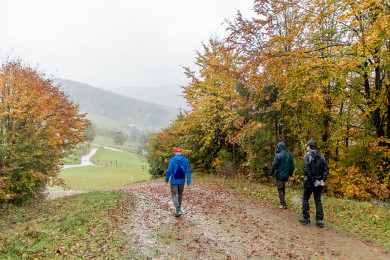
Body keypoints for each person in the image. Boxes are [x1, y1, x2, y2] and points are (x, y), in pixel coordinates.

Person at [299, 139, 329, 228]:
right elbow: (326, 170)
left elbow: (306, 170)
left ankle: (306, 218)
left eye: (307, 146)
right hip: (319, 182)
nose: (307, 147)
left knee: (305, 199)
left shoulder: (307, 156)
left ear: (309, 147)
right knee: (318, 200)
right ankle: (319, 220)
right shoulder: (321, 157)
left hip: (309, 182)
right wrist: (322, 180)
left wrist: (312, 180)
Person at [165, 147, 191, 217]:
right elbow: (188, 171)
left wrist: (167, 179)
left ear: (175, 153)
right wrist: (189, 182)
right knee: (180, 194)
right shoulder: (185, 160)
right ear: (181, 153)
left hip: (174, 181)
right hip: (182, 180)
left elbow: (169, 171)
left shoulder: (172, 160)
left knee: (174, 195)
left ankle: (178, 210)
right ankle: (178, 210)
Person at [269, 142, 295, 209]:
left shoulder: (278, 155)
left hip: (279, 175)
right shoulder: (290, 155)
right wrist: (290, 175)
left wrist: (271, 173)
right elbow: (292, 166)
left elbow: (274, 165)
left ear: (279, 147)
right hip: (286, 175)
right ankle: (283, 201)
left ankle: (283, 204)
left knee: (280, 188)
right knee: (282, 187)